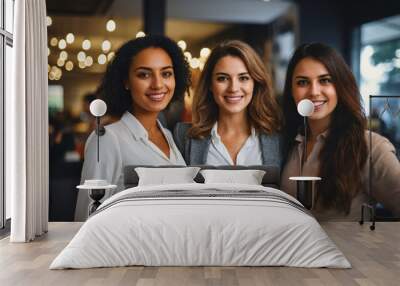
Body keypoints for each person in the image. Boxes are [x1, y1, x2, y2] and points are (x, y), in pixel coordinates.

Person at [75, 35, 191, 221]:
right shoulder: (106, 139)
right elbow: (86, 216)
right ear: (126, 81)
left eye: (166, 73)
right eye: (144, 74)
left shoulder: (168, 135)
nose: (158, 84)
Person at [280, 43, 400, 220]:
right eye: (303, 82)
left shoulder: (371, 148)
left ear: (340, 86)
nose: (314, 91)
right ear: (292, 91)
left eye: (325, 80)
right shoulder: (287, 143)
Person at [174, 40, 282, 168]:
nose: (233, 88)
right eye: (223, 78)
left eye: (243, 78)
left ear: (255, 83)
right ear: (210, 84)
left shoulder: (279, 138)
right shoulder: (184, 136)